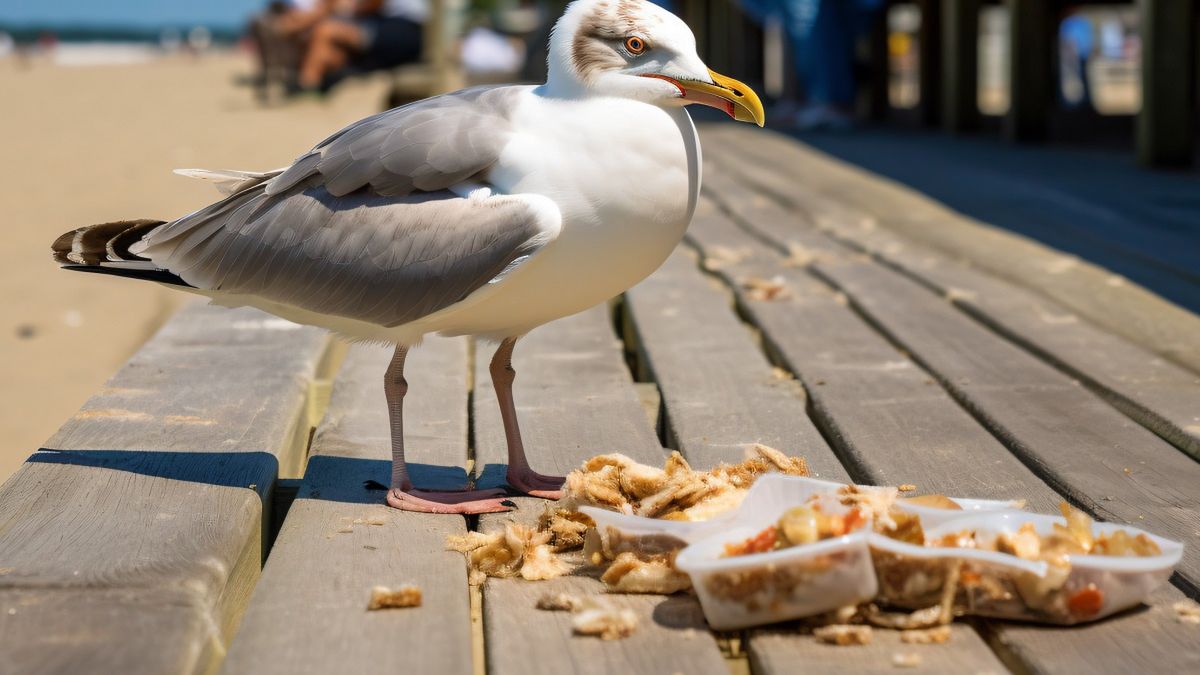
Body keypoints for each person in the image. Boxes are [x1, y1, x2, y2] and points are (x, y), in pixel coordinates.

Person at [298, 0, 428, 93]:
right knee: (329, 49)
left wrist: (342, 8)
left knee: (325, 31)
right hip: (401, 32)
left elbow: (373, 4)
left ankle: (307, 86)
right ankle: (314, 84)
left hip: (402, 32)